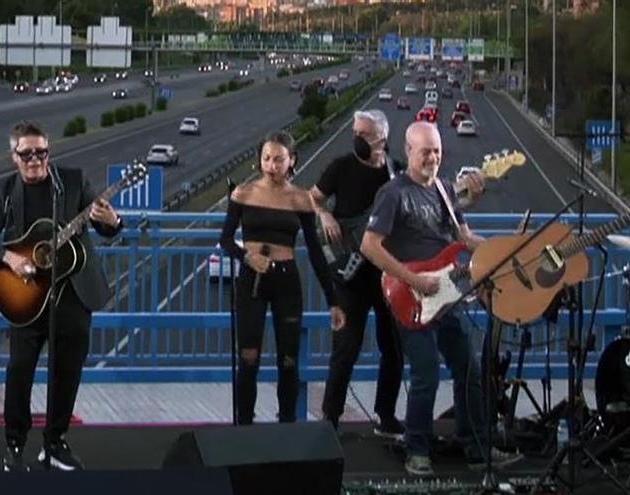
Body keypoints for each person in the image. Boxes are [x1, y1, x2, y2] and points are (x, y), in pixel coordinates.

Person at [360, 122, 522, 476]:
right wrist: (413, 278)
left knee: (470, 369)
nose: (432, 158)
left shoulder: (446, 191)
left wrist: (507, 248)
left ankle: (477, 448)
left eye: (436, 151)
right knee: (426, 374)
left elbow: (463, 237)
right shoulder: (393, 193)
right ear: (408, 152)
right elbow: (369, 245)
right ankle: (417, 449)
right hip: (409, 295)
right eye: (425, 152)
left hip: (447, 296)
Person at [0, 121, 123, 472]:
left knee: (66, 372)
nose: (35, 160)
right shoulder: (6, 190)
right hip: (27, 298)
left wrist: (113, 220)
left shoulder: (72, 181)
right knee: (19, 371)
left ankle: (55, 441)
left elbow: (103, 226)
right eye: (27, 154)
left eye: (41, 152)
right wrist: (9, 258)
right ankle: (14, 443)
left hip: (73, 295)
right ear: (14, 157)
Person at [219, 130, 346, 425]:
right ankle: (244, 426)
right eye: (266, 158)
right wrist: (247, 256)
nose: (272, 165)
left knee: (288, 362)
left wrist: (333, 301)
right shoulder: (243, 193)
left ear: (291, 161)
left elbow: (315, 252)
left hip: (287, 282)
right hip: (251, 280)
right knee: (248, 358)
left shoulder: (300, 199)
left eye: (278, 159)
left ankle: (286, 426)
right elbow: (225, 239)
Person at [309, 110, 405, 439]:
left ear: (382, 139)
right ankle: (330, 420)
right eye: (355, 132)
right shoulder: (340, 167)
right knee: (345, 351)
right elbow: (312, 198)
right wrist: (324, 215)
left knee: (393, 349)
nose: (357, 139)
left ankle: (386, 415)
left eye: (364, 134)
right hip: (348, 278)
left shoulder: (397, 175)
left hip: (387, 277)